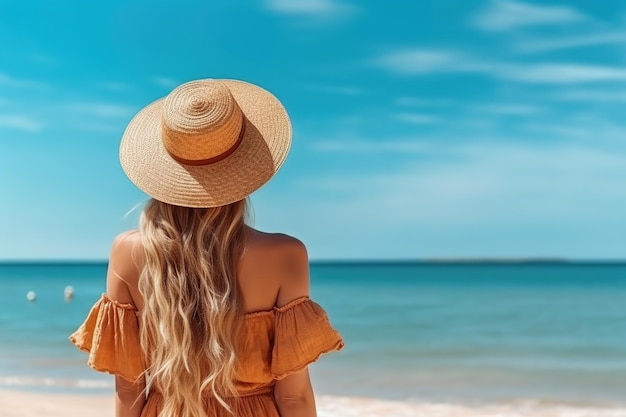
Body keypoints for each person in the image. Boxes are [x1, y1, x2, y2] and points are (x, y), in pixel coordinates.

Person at [70, 79, 344, 417]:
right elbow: (293, 396)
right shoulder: (285, 255)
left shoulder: (127, 252)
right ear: (245, 170)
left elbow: (129, 390)